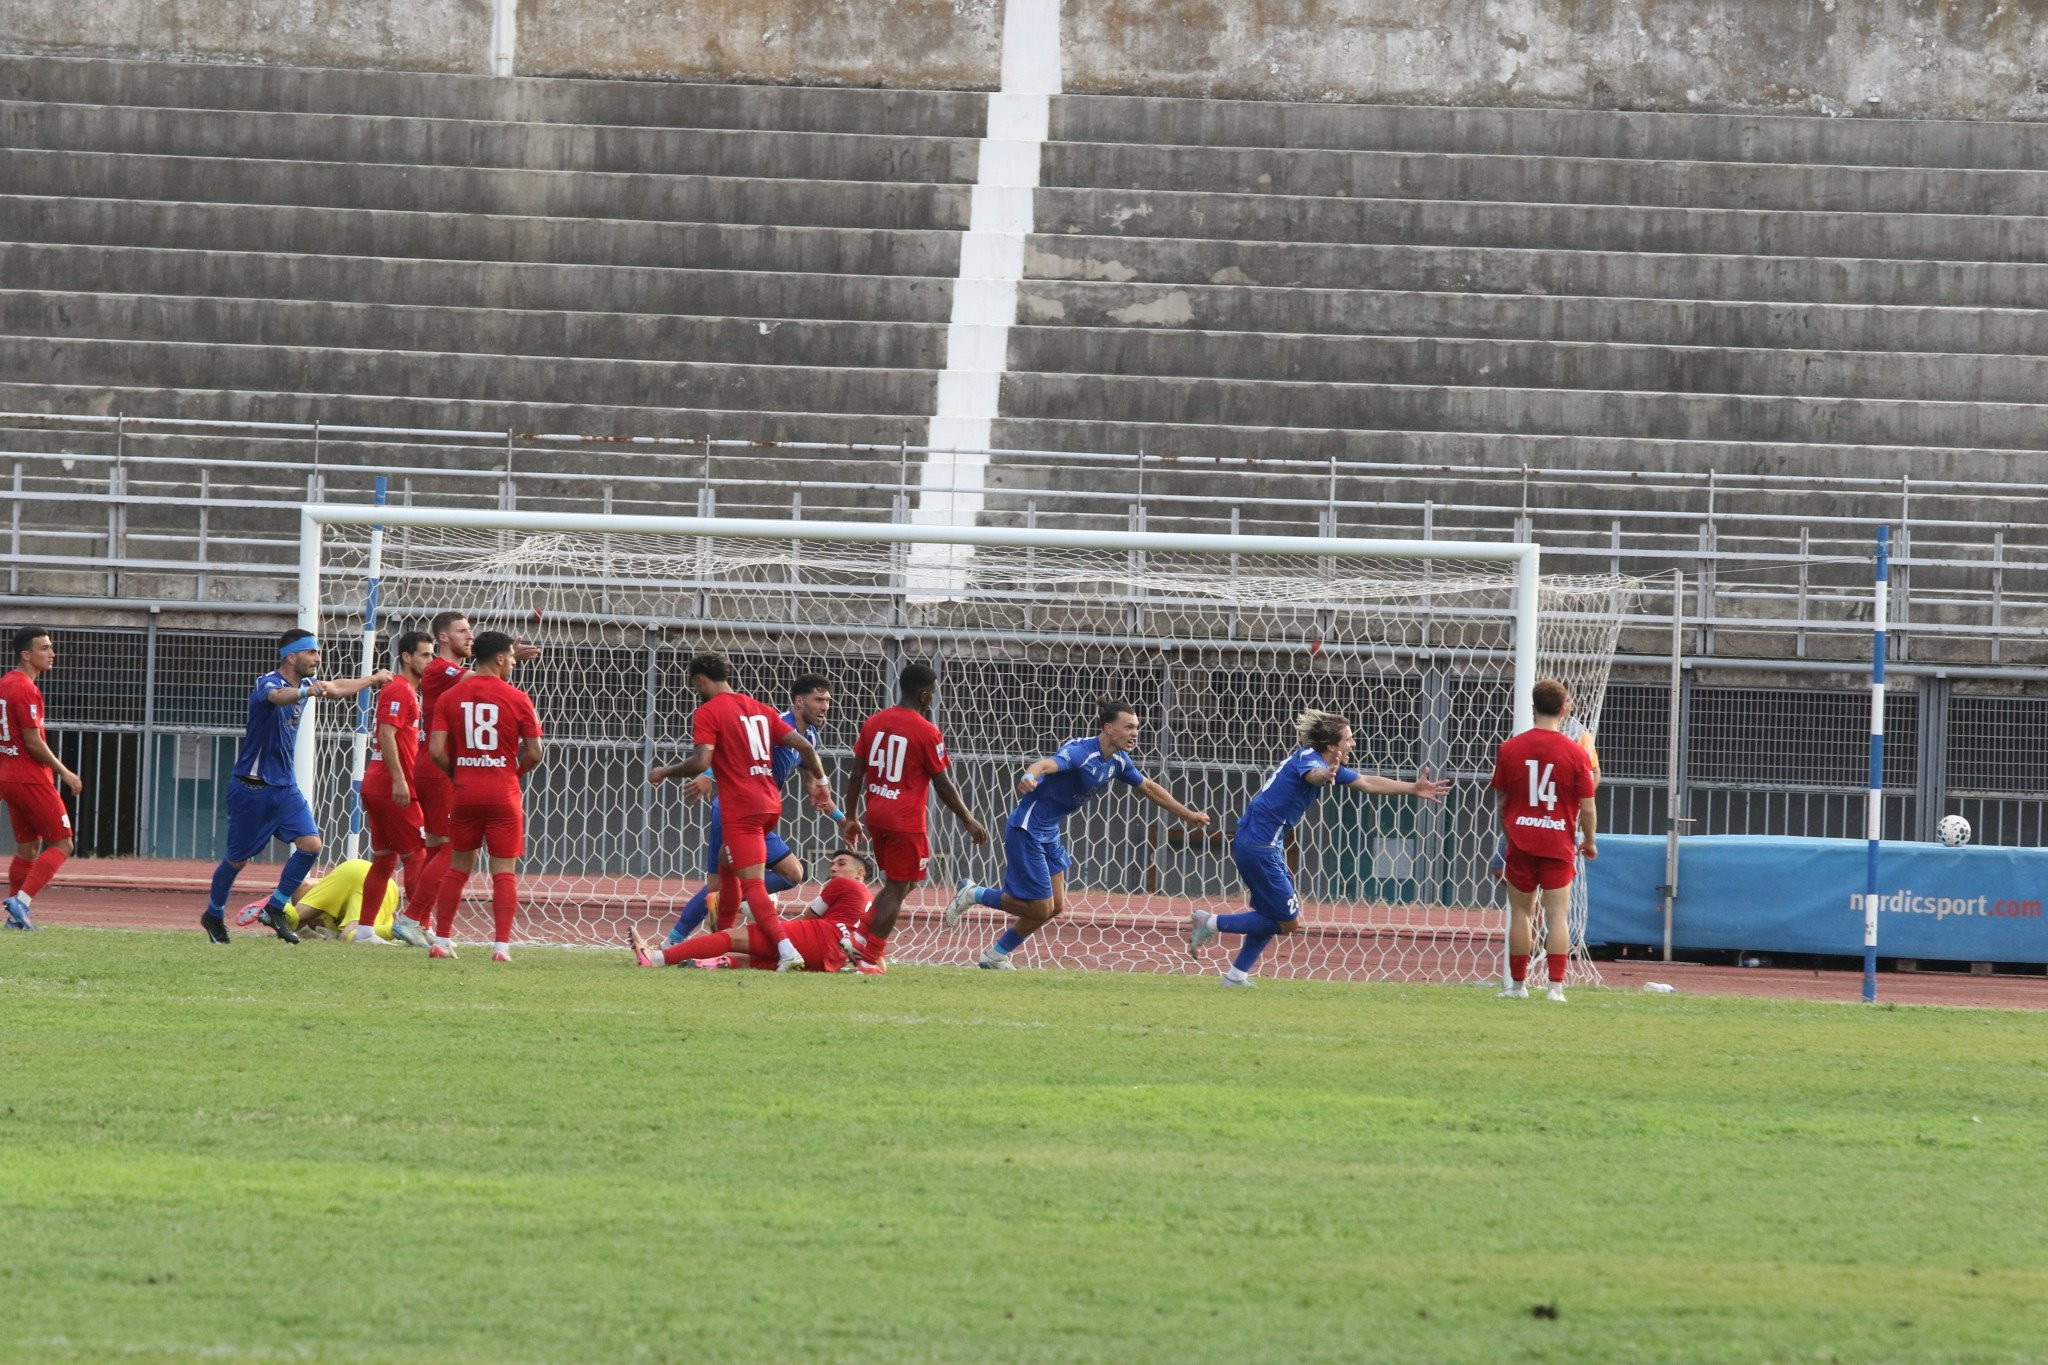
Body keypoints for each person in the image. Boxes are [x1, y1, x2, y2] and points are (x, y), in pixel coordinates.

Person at [1188, 709, 1449, 986]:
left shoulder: (1319, 761)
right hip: (1258, 846)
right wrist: (1326, 774)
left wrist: (1413, 788)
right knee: (1289, 922)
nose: (1353, 744)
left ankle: (1236, 976)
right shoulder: (1308, 759)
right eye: (1348, 739)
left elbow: (1365, 782)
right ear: (1331, 746)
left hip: (1263, 845)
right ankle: (1210, 922)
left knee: (1274, 915)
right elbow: (1313, 775)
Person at [951, 697, 1209, 970]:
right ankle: (973, 894)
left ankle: (995, 955)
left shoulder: (1119, 761)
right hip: (1027, 828)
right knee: (1040, 908)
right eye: (1129, 726)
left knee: (1057, 906)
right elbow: (1045, 764)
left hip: (1049, 832)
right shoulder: (1081, 752)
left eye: (1137, 727)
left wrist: (1188, 814)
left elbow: (1149, 787)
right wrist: (1030, 775)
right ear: (1109, 728)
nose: (1135, 733)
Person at [201, 628, 390, 945]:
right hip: (252, 789)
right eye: (312, 652)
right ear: (292, 656)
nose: (318, 657)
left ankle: (275, 907)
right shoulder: (269, 683)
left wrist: (371, 680)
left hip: (285, 788)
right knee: (237, 860)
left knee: (312, 846)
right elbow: (277, 698)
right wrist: (307, 693)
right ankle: (213, 913)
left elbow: (337, 687)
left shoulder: (306, 684)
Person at [649, 652, 834, 972]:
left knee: (731, 884)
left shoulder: (710, 711)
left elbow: (705, 760)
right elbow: (794, 749)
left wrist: (665, 771)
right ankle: (716, 938)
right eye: (819, 700)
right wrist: (823, 785)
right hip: (769, 806)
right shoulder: (759, 709)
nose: (825, 706)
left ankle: (779, 947)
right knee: (736, 871)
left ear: (700, 681)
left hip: (737, 808)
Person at [837, 661, 987, 973]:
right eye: (932, 693)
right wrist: (967, 819)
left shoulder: (874, 723)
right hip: (905, 820)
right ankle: (869, 959)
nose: (933, 697)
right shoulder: (926, 731)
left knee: (902, 885)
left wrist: (851, 817)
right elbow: (943, 783)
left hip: (876, 814)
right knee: (897, 888)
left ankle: (860, 936)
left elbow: (855, 776)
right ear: (922, 695)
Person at [407, 612, 540, 953]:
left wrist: (502, 653)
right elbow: (534, 751)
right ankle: (495, 945)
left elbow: (440, 746)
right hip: (473, 779)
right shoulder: (442, 670)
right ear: (443, 637)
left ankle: (430, 928)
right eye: (462, 631)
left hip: (459, 777)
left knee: (442, 854)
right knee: (478, 862)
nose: (469, 635)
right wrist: (513, 772)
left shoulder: (456, 692)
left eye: (472, 632)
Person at [1489, 678, 1599, 1002]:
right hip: (1558, 842)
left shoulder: (1510, 748)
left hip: (1521, 840)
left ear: (1532, 707)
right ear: (1564, 709)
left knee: (1521, 913)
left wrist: (1512, 835)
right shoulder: (1577, 752)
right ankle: (1555, 988)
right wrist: (1589, 841)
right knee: (1557, 915)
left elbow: (1502, 802)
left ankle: (1518, 986)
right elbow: (1588, 807)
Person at [630, 848, 875, 972]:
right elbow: (872, 949)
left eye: (841, 864)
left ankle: (656, 958)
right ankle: (707, 963)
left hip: (820, 937)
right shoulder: (872, 904)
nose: (833, 869)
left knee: (731, 937)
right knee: (758, 959)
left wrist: (768, 916)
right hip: (830, 960)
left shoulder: (842, 884)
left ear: (860, 873)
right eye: (832, 864)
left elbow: (810, 917)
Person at [351, 629, 435, 948]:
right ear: (407, 657)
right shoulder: (399, 690)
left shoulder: (405, 691)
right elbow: (387, 734)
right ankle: (419, 924)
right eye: (425, 655)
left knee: (385, 860)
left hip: (378, 784)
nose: (430, 661)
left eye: (432, 655)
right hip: (391, 785)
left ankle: (364, 931)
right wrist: (401, 779)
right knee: (418, 857)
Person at [0, 626, 83, 930]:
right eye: (44, 648)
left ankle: (14, 919)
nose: (52, 653)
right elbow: (33, 742)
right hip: (30, 777)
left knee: (28, 849)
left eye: (50, 647)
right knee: (63, 844)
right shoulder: (25, 688)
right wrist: (65, 772)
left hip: (8, 775)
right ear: (26, 655)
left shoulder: (5, 684)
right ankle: (21, 902)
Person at [231, 857, 417, 943]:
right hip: (357, 870)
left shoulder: (319, 898)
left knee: (350, 934)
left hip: (374, 882)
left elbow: (307, 885)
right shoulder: (321, 896)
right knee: (293, 924)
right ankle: (276, 906)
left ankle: (277, 905)